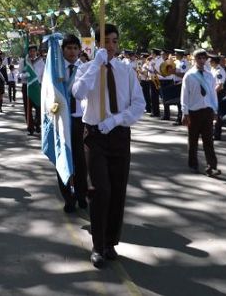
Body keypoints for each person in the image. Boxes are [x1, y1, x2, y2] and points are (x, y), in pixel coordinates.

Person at [72, 24, 145, 268]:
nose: (111, 46)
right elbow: (78, 92)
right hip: (95, 136)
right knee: (100, 190)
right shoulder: (86, 68)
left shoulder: (126, 71)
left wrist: (116, 120)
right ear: (97, 44)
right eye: (106, 42)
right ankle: (98, 244)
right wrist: (95, 64)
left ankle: (111, 242)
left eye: (114, 41)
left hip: (119, 135)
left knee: (117, 190)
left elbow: (138, 105)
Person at [56, 34, 88, 213]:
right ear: (63, 50)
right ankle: (68, 198)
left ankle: (82, 195)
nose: (72, 51)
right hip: (61, 119)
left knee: (81, 161)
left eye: (75, 48)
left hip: (80, 120)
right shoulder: (56, 69)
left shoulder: (85, 69)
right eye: (69, 48)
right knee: (63, 160)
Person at [180, 49, 219, 176]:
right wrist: (185, 112)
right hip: (194, 112)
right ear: (194, 59)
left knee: (208, 140)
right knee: (193, 140)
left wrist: (215, 109)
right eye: (199, 58)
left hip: (207, 111)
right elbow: (184, 95)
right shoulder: (189, 75)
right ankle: (193, 164)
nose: (202, 61)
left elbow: (213, 94)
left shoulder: (209, 75)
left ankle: (212, 166)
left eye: (204, 58)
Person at [20, 44, 44, 135]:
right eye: (30, 51)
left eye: (34, 51)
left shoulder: (41, 61)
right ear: (28, 52)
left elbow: (43, 74)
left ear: (36, 52)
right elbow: (20, 74)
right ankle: (30, 127)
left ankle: (37, 123)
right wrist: (25, 75)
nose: (32, 53)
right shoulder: (24, 61)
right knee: (28, 108)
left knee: (39, 107)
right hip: (27, 86)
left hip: (38, 86)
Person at [210, 54, 226, 140]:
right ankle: (213, 132)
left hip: (218, 94)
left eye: (210, 60)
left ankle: (217, 134)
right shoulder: (213, 69)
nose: (209, 62)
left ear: (214, 61)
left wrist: (212, 94)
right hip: (213, 94)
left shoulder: (219, 71)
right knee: (213, 114)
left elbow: (220, 86)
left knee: (218, 115)